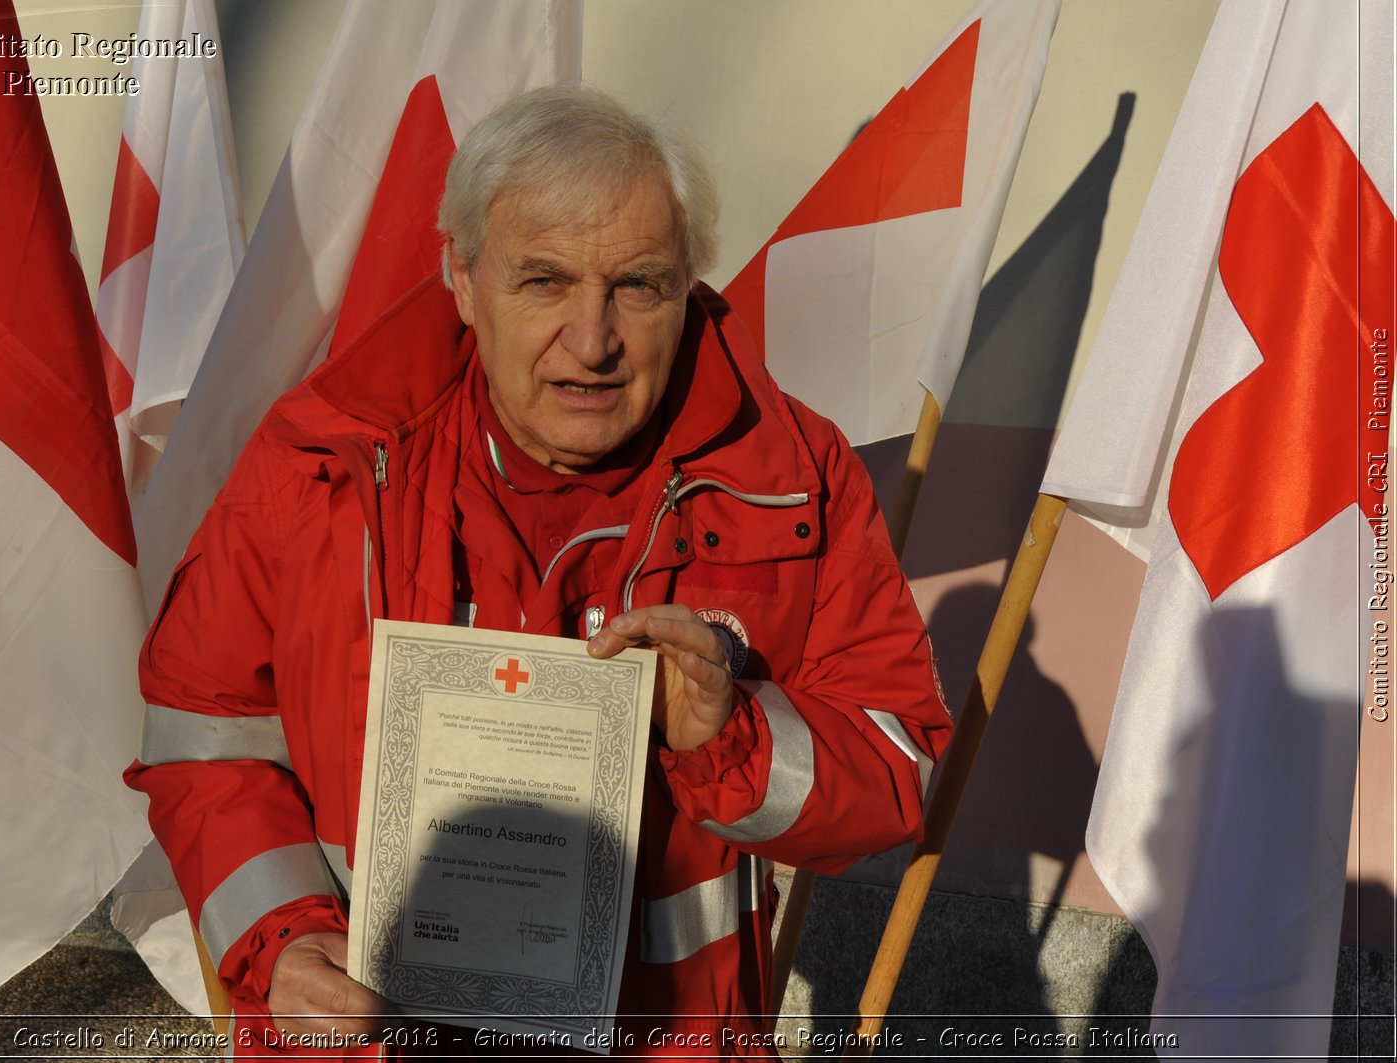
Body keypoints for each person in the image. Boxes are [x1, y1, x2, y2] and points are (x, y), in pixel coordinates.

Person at [127, 85, 951, 1058]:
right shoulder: (323, 463)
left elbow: (895, 771)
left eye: (637, 286)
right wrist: (287, 936)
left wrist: (734, 735)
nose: (593, 341)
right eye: (544, 282)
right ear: (463, 280)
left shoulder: (793, 475)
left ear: (688, 285)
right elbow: (203, 740)